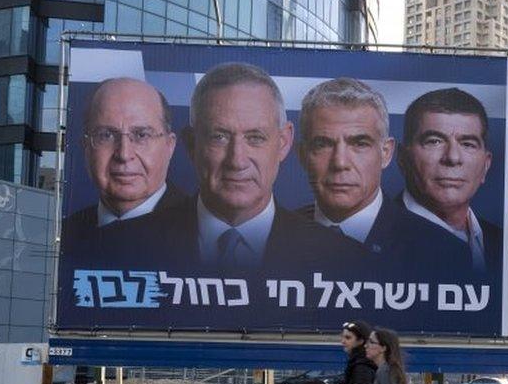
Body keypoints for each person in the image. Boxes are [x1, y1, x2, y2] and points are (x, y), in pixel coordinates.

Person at [156, 63, 360, 272]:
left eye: (255, 138)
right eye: (219, 137)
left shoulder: (342, 260)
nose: (237, 161)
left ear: (283, 142)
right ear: (192, 144)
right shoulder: (130, 244)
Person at [297, 78, 430, 257]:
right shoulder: (267, 241)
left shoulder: (440, 251)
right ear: (302, 155)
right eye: (323, 144)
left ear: (386, 153)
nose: (340, 163)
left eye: (359, 144)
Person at [62, 77, 186, 265]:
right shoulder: (64, 235)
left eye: (141, 135)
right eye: (106, 135)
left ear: (169, 146)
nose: (124, 154)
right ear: (86, 147)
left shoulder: (207, 233)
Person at [397, 88, 501, 275]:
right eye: (434, 141)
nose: (452, 157)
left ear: (485, 166)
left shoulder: (504, 243)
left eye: (468, 144)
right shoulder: (370, 236)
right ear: (403, 159)